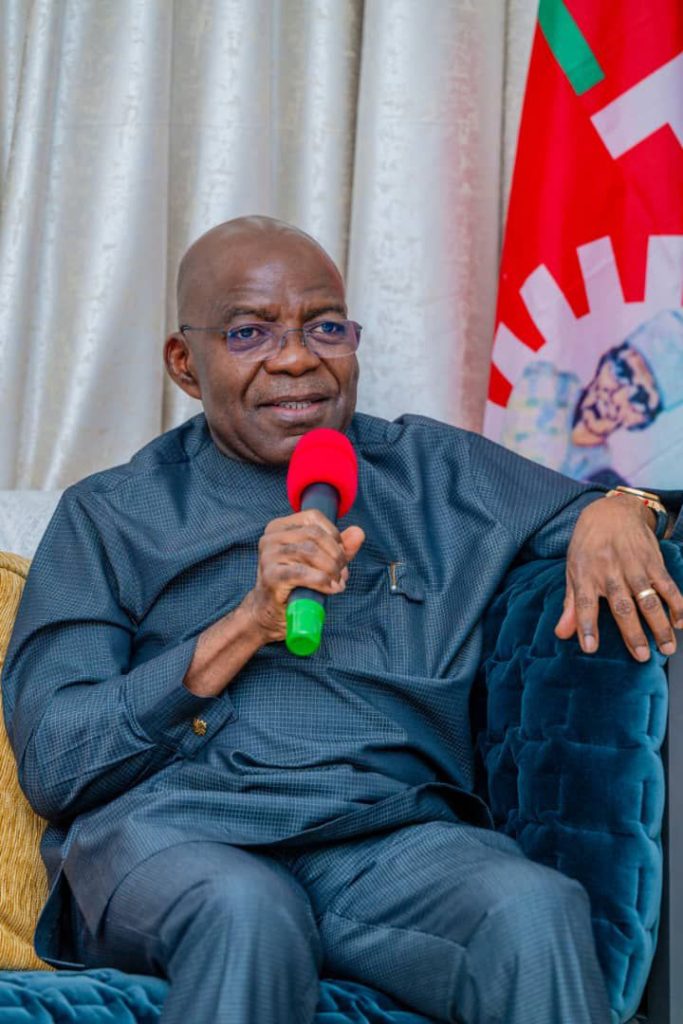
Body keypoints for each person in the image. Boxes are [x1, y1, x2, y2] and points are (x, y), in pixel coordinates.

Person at [3, 216, 683, 1024]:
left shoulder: (438, 473)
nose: (296, 357)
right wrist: (246, 623)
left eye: (325, 327)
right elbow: (56, 759)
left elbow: (607, 513)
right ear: (185, 363)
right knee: (248, 914)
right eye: (249, 332)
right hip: (173, 832)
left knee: (530, 911)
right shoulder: (111, 515)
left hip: (386, 838)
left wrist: (625, 507)